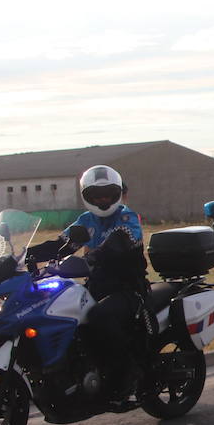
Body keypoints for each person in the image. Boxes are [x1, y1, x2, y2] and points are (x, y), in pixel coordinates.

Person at [66, 166, 148, 395]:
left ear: (117, 193)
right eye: (96, 195)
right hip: (97, 288)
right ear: (87, 196)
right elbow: (63, 242)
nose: (102, 199)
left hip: (129, 289)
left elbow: (118, 240)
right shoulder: (85, 220)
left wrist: (93, 256)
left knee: (98, 316)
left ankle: (127, 371)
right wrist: (27, 257)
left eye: (107, 194)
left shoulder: (127, 217)